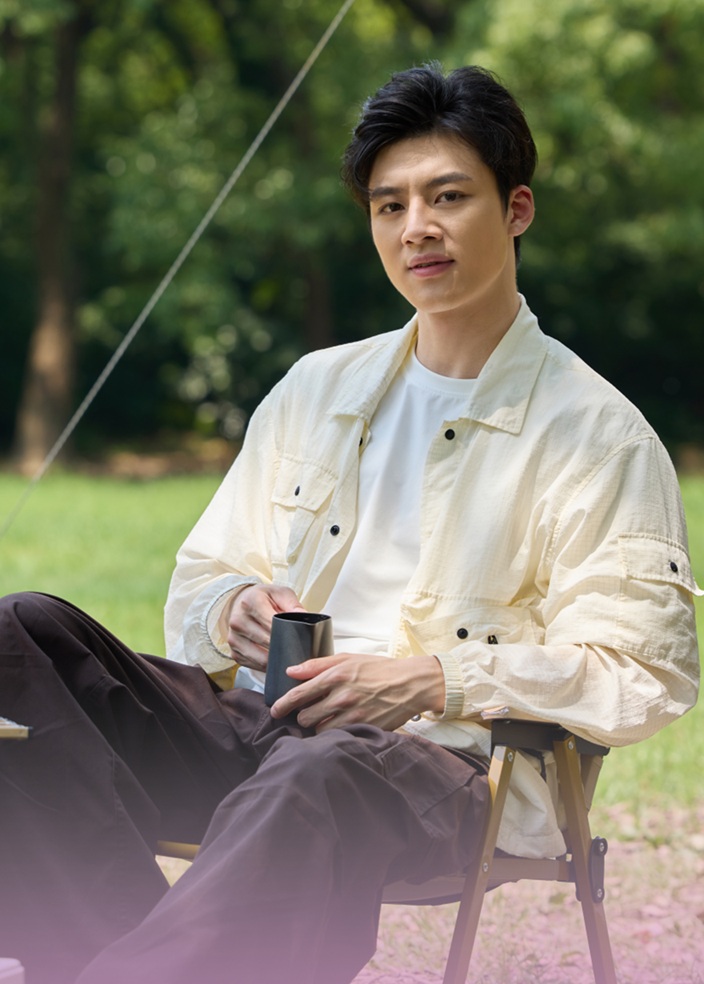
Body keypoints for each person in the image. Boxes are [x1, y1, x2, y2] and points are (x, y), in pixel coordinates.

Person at [0, 64, 700, 984]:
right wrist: (231, 609)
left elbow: (642, 671)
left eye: (448, 196)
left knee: (320, 772)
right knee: (18, 635)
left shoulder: (598, 436)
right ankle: (119, 960)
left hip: (449, 775)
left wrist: (434, 679)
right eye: (389, 205)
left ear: (517, 209)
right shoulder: (316, 388)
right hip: (267, 729)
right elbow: (202, 578)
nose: (417, 228)